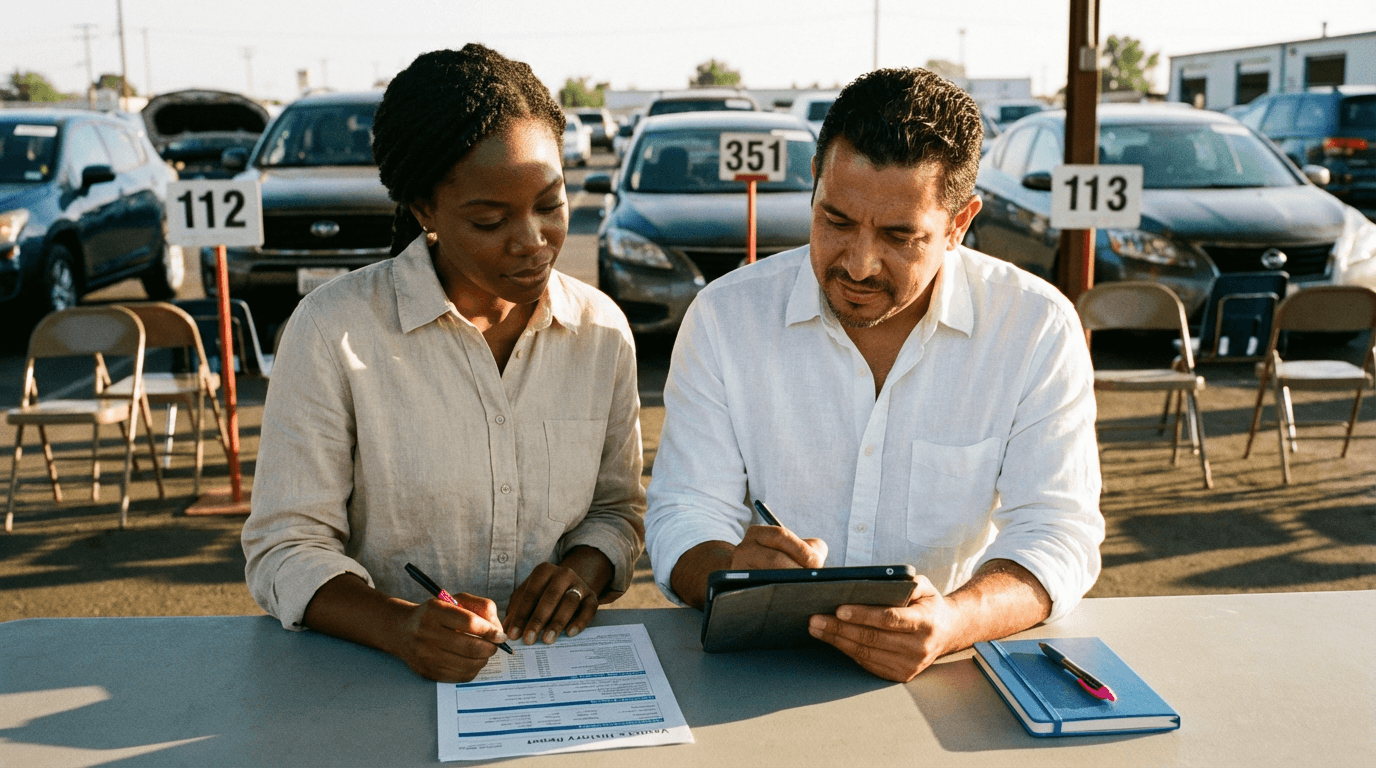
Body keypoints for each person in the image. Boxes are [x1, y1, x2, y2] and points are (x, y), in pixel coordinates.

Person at [644, 68, 1104, 683]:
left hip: (948, 677)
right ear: (814, 186)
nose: (858, 264)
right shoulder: (727, 316)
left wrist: (953, 621)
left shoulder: (1035, 326)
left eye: (898, 236)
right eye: (835, 221)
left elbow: (1059, 530)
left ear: (960, 223)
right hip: (758, 670)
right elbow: (683, 509)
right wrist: (731, 573)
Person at [242, 45, 645, 683]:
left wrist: (583, 571)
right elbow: (286, 548)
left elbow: (617, 509)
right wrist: (400, 627)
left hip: (554, 682)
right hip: (369, 682)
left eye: (550, 203)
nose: (533, 241)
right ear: (424, 211)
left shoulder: (601, 332)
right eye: (489, 220)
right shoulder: (331, 333)